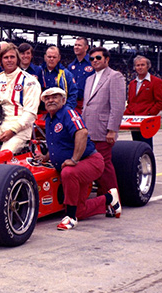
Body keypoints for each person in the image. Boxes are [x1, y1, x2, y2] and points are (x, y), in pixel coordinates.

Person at [37, 87, 121, 230]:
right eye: (47, 98)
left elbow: (82, 133)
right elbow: (57, 145)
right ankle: (110, 198)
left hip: (90, 161)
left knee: (68, 172)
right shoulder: (49, 120)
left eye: (55, 97)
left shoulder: (68, 113)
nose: (51, 100)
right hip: (78, 167)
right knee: (80, 211)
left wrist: (74, 159)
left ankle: (70, 217)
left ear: (63, 100)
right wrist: (45, 157)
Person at [82, 47, 126, 197]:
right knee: (94, 164)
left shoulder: (115, 76)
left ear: (107, 59)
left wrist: (112, 130)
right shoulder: (89, 79)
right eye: (92, 59)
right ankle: (103, 198)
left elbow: (118, 105)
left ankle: (113, 200)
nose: (95, 61)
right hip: (88, 128)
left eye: (98, 58)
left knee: (105, 165)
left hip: (103, 130)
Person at [124, 55, 162, 149]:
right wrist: (128, 114)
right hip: (134, 121)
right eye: (137, 65)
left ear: (148, 66)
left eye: (142, 65)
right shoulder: (132, 83)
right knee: (136, 147)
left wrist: (149, 114)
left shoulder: (156, 82)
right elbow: (131, 102)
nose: (140, 67)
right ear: (134, 67)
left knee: (146, 147)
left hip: (146, 121)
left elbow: (161, 102)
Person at [41, 46, 77, 110]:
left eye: (54, 57)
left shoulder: (66, 74)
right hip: (41, 111)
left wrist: (66, 109)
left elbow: (73, 94)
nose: (51, 59)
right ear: (45, 57)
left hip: (60, 111)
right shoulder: (38, 72)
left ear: (59, 58)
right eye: (49, 57)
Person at [67, 37, 95, 114]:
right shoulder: (70, 66)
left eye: (79, 45)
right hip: (73, 103)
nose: (76, 47)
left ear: (86, 47)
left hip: (88, 103)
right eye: (75, 45)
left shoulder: (93, 63)